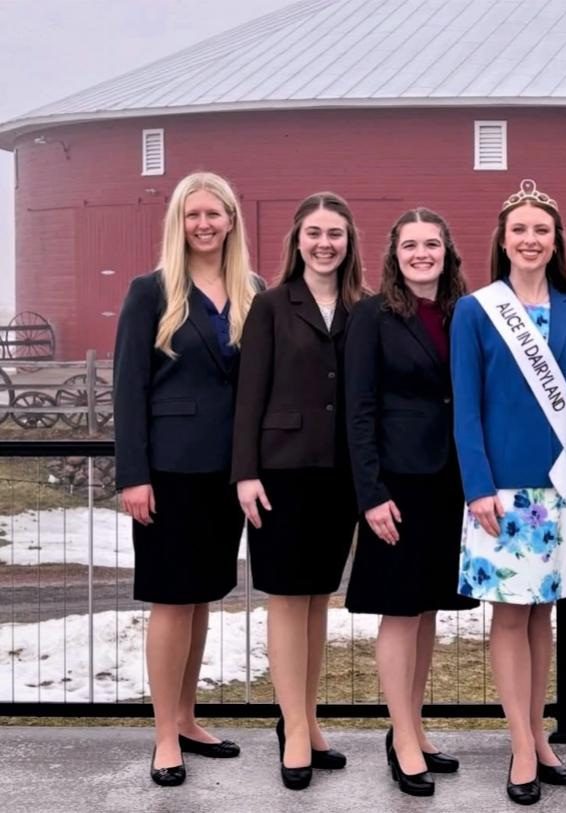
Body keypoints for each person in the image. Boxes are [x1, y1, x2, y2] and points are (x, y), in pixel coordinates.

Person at [450, 179, 566, 805]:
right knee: (511, 617)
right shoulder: (475, 310)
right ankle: (520, 745)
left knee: (544, 615)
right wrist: (477, 486)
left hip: (562, 492)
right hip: (502, 498)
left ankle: (540, 737)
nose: (530, 239)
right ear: (503, 240)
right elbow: (466, 407)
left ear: (555, 241)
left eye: (541, 230)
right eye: (519, 230)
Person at [114, 171, 260, 787]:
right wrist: (134, 475)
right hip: (168, 471)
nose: (204, 224)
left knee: (202, 598)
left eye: (215, 214)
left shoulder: (251, 289)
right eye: (193, 214)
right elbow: (129, 387)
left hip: (226, 473)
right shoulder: (151, 292)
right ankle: (163, 735)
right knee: (172, 602)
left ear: (231, 220)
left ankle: (188, 716)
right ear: (179, 221)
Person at [231, 192, 365, 790]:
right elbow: (249, 395)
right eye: (314, 232)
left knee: (317, 602)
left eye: (335, 233)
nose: (324, 243)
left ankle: (307, 724)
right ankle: (291, 733)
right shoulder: (269, 305)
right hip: (281, 471)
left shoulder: (363, 308)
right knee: (286, 601)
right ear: (297, 240)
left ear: (349, 241)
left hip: (339, 473)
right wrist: (245, 471)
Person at [344, 208, 479, 797]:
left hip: (450, 481)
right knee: (399, 611)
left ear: (449, 252)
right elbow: (359, 408)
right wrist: (371, 494)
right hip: (396, 485)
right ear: (393, 254)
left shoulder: (464, 311)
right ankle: (401, 739)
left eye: (432, 244)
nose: (422, 254)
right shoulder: (372, 315)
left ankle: (415, 729)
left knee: (426, 611)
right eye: (410, 245)